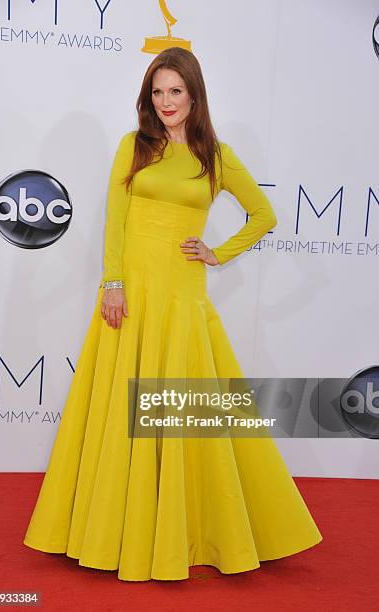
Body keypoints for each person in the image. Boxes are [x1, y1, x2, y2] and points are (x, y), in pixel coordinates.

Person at [23, 47, 322, 582]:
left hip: (182, 296)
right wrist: (112, 283)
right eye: (157, 92)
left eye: (175, 92)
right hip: (132, 293)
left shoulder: (216, 155)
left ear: (194, 95)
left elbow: (264, 214)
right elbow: (116, 220)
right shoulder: (133, 147)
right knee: (123, 408)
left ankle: (186, 533)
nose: (165, 102)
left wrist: (219, 252)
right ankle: (112, 529)